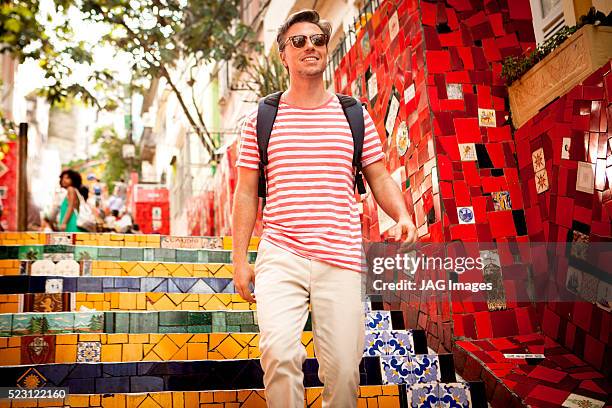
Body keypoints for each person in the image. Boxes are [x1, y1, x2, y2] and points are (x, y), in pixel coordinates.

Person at [231, 10, 417, 408]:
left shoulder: (354, 115)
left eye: (317, 40)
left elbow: (380, 176)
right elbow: (246, 193)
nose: (309, 47)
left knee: (346, 373)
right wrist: (239, 259)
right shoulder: (262, 118)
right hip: (281, 256)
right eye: (298, 41)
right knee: (280, 356)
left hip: (342, 258)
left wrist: (402, 215)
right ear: (283, 55)